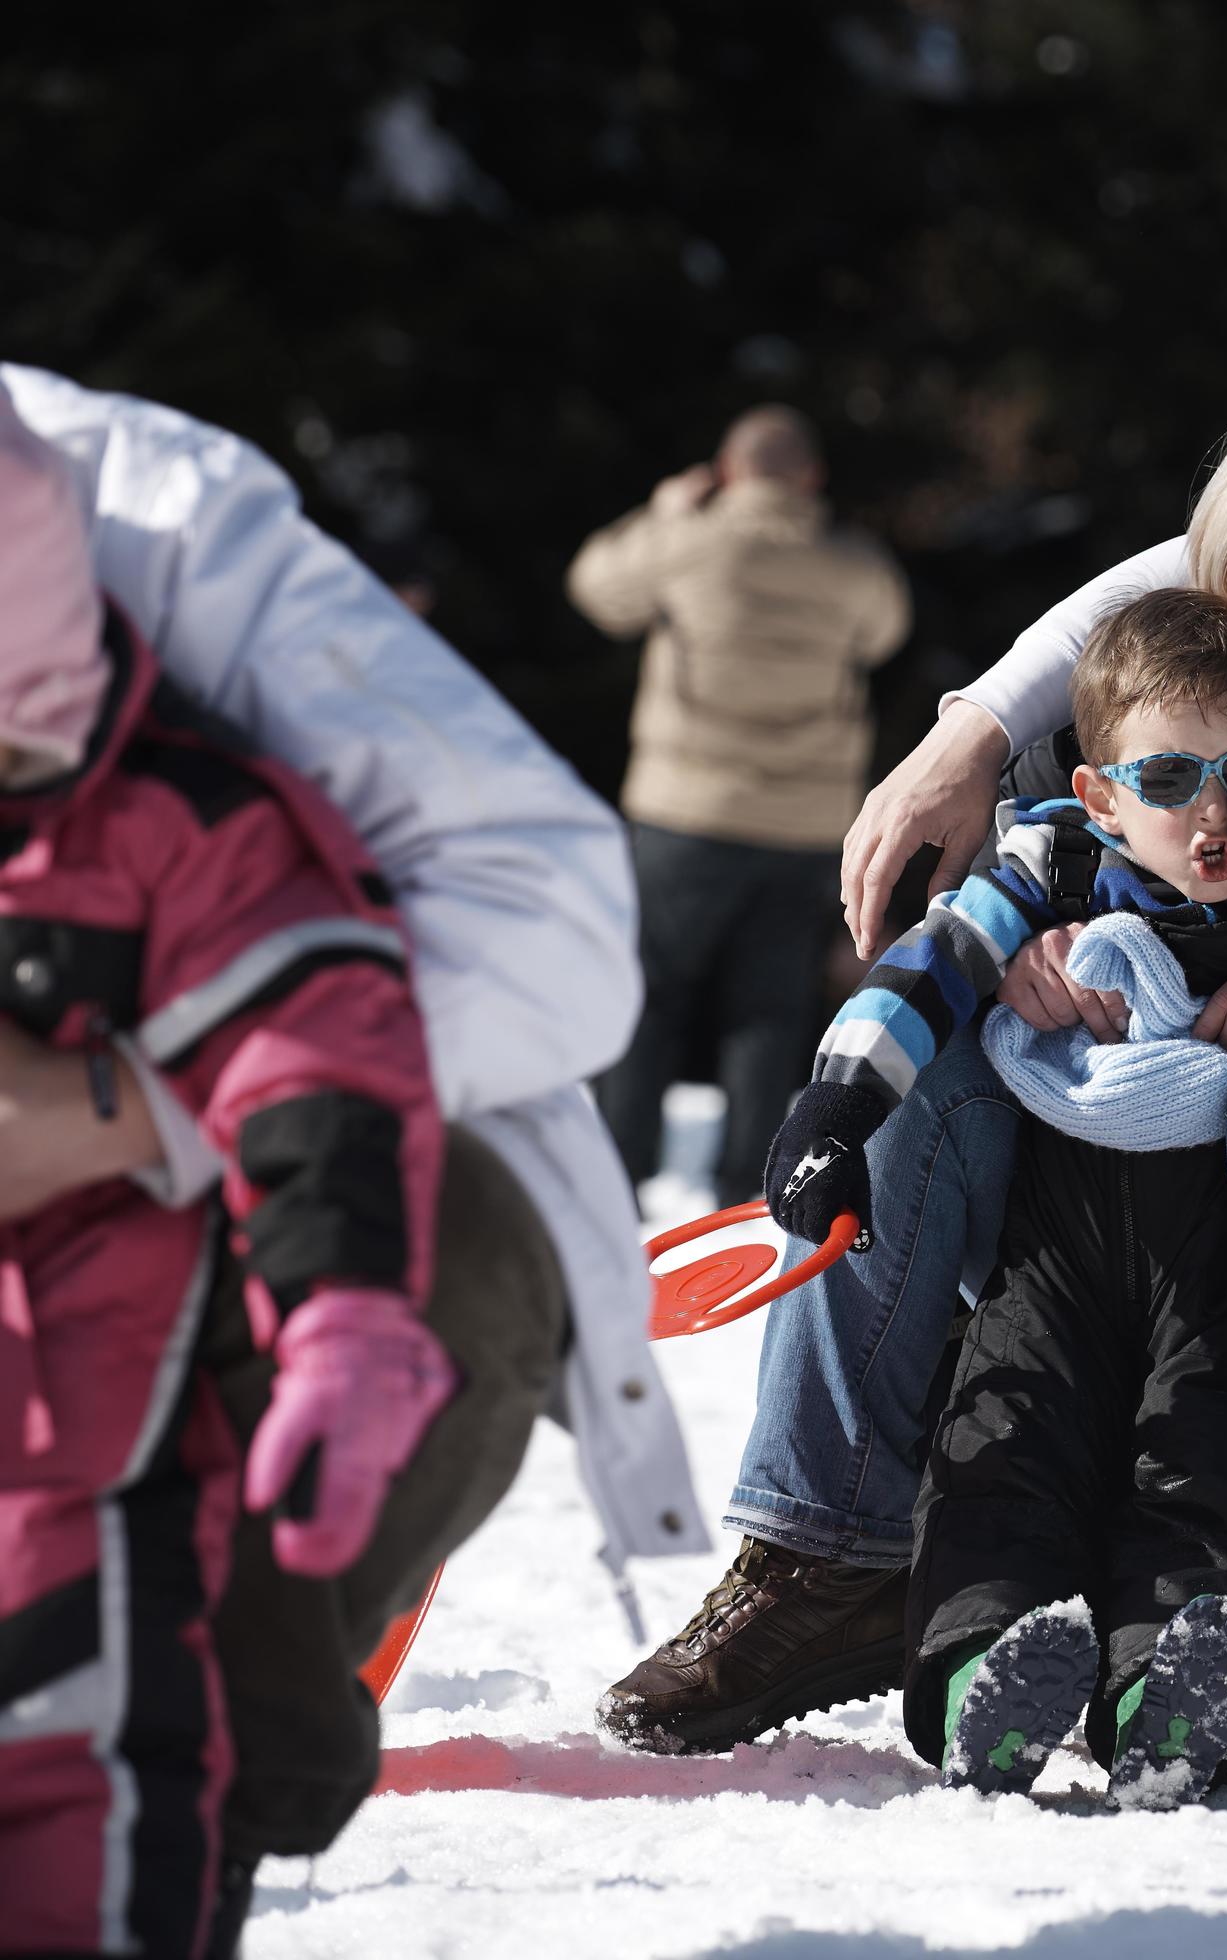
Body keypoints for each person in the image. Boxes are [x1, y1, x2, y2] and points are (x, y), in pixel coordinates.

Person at [604, 370, 1227, 1791]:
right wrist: (982, 993)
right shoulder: (1103, 726)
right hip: (1083, 1215)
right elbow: (953, 945)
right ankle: (829, 1550)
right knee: (928, 1057)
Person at [4, 365, 705, 1942]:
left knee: (83, 1696)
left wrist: (122, 1113)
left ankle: (221, 1762)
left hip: (123, 1277)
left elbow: (547, 923)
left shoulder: (131, 525)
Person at [758, 588, 1227, 1804]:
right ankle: (978, 1680)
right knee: (1005, 1442)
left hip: (1209, 1271)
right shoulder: (1054, 864)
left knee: (1202, 1475)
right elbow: (933, 961)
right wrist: (836, 1108)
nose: (1212, 812)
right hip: (1048, 1260)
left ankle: (1168, 1698)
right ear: (1103, 791)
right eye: (1169, 777)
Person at [0, 400, 445, 1954]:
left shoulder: (174, 830)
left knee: (85, 1804)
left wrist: (341, 1318)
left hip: (83, 1459)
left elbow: (314, 1061)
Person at [570, 404, 912, 1206]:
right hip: (802, 825)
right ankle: (751, 1193)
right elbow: (885, 632)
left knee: (650, 995)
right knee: (769, 1009)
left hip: (681, 816)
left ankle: (618, 1178)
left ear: (725, 472)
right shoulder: (853, 565)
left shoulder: (684, 540)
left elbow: (595, 588)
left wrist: (664, 510)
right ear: (812, 479)